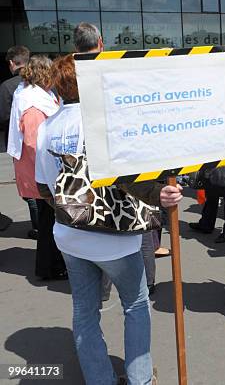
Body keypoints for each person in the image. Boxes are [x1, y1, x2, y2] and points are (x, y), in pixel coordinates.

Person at [36, 54, 182, 384]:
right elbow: (131, 177)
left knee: (84, 309)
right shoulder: (108, 122)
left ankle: (99, 378)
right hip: (116, 238)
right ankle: (140, 378)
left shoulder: (48, 126)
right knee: (135, 304)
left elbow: (45, 188)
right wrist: (159, 195)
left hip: (69, 233)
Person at [7, 55, 64, 278]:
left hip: (35, 168)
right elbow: (33, 143)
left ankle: (50, 265)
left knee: (48, 219)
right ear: (44, 74)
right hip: (38, 170)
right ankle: (50, 267)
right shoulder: (33, 103)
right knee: (49, 221)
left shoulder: (31, 93)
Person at [0, 45, 30, 231]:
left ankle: (39, 228)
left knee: (29, 187)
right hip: (44, 140)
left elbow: (3, 116)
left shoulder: (7, 86)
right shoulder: (43, 81)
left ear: (12, 63)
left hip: (19, 144)